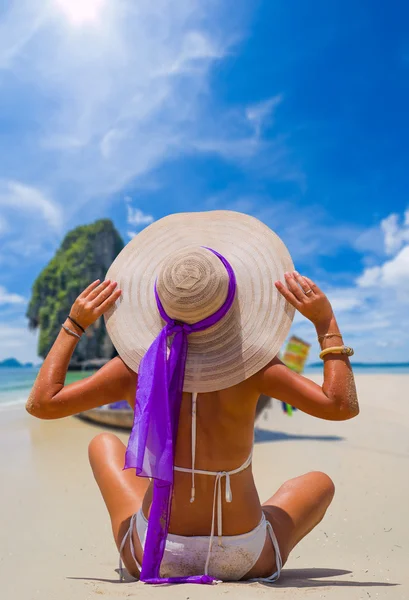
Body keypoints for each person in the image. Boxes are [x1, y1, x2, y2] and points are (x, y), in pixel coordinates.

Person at [27, 210, 359, 585]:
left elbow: (42, 404)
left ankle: (152, 539)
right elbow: (341, 405)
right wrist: (325, 322)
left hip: (153, 553)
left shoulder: (133, 369)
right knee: (318, 483)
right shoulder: (256, 367)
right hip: (247, 554)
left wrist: (74, 325)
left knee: (103, 444)